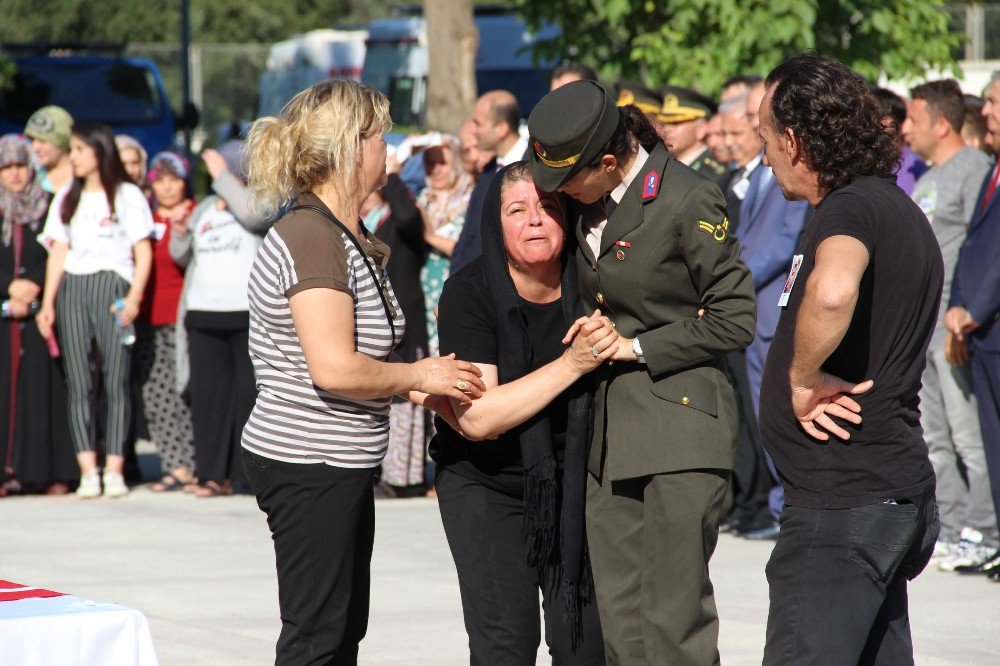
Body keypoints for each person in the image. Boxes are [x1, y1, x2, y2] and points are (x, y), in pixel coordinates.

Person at [240, 79, 485, 665]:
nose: (389, 151)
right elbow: (334, 369)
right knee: (317, 638)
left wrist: (421, 384)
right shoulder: (312, 234)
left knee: (340, 628)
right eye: (381, 137)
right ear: (352, 147)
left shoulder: (341, 231)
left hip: (334, 462)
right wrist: (420, 378)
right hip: (308, 461)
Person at [528, 80, 756, 664]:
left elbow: (734, 319)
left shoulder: (685, 197)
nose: (560, 195)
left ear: (608, 162)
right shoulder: (591, 205)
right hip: (612, 437)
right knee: (622, 624)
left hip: (680, 429)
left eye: (567, 181)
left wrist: (635, 348)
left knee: (672, 624)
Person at [757, 54, 942, 663]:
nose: (764, 158)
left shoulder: (851, 208)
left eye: (766, 141)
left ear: (793, 139)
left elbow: (833, 293)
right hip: (882, 496)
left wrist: (802, 378)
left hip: (844, 507)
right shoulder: (894, 210)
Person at [433, 161, 610, 664]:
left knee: (584, 646)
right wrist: (572, 364)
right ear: (496, 223)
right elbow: (479, 418)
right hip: (485, 483)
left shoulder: (596, 282)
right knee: (505, 645)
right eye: (518, 210)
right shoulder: (470, 293)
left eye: (548, 207)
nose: (535, 220)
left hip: (574, 483)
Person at [903, 79, 998, 571]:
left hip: (954, 328)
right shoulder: (926, 177)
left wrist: (960, 317)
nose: (904, 129)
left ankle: (984, 529)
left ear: (942, 123)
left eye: (912, 119)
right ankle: (956, 524)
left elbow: (974, 256)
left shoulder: (974, 170)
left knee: (969, 438)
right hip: (926, 328)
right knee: (935, 436)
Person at [36, 122, 154, 499]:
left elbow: (143, 250)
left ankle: (116, 467)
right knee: (79, 381)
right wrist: (49, 301)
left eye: (79, 150)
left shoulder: (126, 195)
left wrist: (135, 296)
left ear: (99, 152)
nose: (73, 157)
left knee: (116, 379)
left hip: (114, 286)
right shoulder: (67, 195)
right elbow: (58, 251)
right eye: (71, 150)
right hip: (74, 286)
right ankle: (89, 469)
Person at [170, 140, 269, 498]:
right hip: (203, 314)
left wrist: (222, 177)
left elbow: (254, 217)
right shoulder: (207, 207)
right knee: (208, 398)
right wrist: (180, 231)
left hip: (246, 316)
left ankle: (246, 475)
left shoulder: (262, 198)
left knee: (248, 396)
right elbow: (182, 256)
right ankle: (211, 474)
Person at [946, 69, 1000, 581]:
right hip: (979, 333)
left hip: (990, 325)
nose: (985, 112)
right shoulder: (992, 170)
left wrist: (973, 309)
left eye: (994, 102)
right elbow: (970, 248)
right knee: (990, 440)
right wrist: (958, 305)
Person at [0, 134, 76, 497]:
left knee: (43, 389)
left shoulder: (47, 206)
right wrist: (8, 287)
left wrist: (30, 285)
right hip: (4, 311)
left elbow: (56, 252)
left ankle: (48, 471)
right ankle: (7, 471)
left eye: (20, 166)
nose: (15, 175)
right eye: (7, 167)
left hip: (40, 311)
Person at [365, 155, 430, 496]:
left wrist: (390, 172)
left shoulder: (399, 215)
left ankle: (402, 478)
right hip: (369, 319)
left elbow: (408, 218)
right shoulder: (355, 220)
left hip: (404, 314)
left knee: (405, 393)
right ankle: (376, 469)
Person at [138, 151, 197, 493]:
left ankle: (193, 463)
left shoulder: (194, 212)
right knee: (155, 394)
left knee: (184, 391)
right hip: (147, 318)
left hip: (181, 318)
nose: (168, 187)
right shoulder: (143, 216)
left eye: (174, 179)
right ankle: (172, 464)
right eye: (160, 180)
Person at [450, 90, 526, 272]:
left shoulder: (535, 166)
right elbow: (470, 234)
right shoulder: (489, 170)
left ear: (501, 129)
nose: (473, 129)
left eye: (478, 123)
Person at [417, 135, 474, 357]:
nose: (435, 169)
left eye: (442, 163)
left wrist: (430, 236)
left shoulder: (469, 201)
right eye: (429, 163)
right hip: (421, 293)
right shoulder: (423, 198)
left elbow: (469, 250)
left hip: (451, 288)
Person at [658, 86, 728, 188]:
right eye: (664, 123)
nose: (667, 129)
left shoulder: (712, 175)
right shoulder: (664, 167)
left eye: (676, 122)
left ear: (701, 129)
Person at [871, 86, 927, 196]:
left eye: (881, 120)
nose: (872, 127)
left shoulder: (917, 168)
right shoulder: (858, 164)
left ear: (899, 125)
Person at [24, 105, 75, 194]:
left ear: (62, 141)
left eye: (42, 140)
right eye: (31, 140)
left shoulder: (84, 179)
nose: (35, 148)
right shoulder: (28, 178)